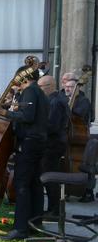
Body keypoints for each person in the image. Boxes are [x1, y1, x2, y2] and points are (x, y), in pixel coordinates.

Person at [0, 65, 48, 241]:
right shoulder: (40, 92)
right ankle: (34, 223)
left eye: (17, 78)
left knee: (22, 184)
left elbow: (28, 116)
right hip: (38, 143)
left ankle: (20, 229)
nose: (15, 81)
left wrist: (4, 112)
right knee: (34, 183)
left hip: (29, 144)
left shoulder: (30, 91)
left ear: (23, 78)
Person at [37, 75, 70, 214]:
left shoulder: (55, 102)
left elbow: (52, 126)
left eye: (40, 87)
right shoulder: (54, 100)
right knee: (49, 176)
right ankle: (53, 208)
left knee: (50, 177)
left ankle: (54, 210)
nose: (38, 90)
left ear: (50, 86)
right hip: (54, 143)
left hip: (53, 144)